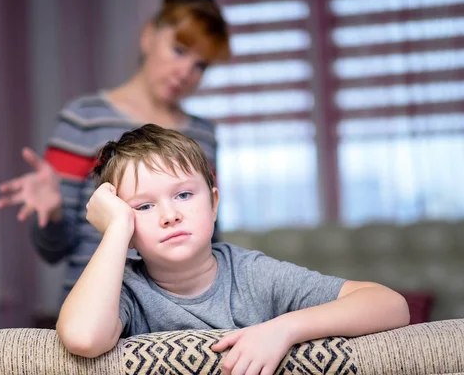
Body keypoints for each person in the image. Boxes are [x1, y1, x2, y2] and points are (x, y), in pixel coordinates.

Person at [56, 124, 411, 375]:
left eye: (183, 194)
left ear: (213, 204)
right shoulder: (128, 290)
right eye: (143, 206)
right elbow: (83, 338)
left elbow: (390, 305)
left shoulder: (251, 275)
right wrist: (116, 229)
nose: (170, 215)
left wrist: (282, 329)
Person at [0, 0, 230, 300]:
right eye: (179, 50)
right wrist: (51, 214)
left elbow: (209, 239)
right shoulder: (83, 119)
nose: (185, 71)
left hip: (178, 320)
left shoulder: (204, 135)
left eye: (200, 65)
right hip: (94, 311)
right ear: (149, 36)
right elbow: (53, 251)